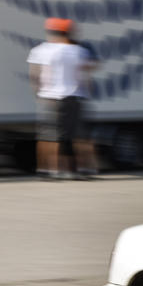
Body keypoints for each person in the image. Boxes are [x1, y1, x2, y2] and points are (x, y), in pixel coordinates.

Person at [27, 18, 98, 179]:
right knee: (75, 136)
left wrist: (38, 93)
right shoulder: (79, 51)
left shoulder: (40, 50)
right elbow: (86, 75)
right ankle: (79, 169)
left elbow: (34, 75)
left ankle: (46, 169)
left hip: (49, 98)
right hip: (73, 97)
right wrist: (87, 91)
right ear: (69, 33)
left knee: (47, 136)